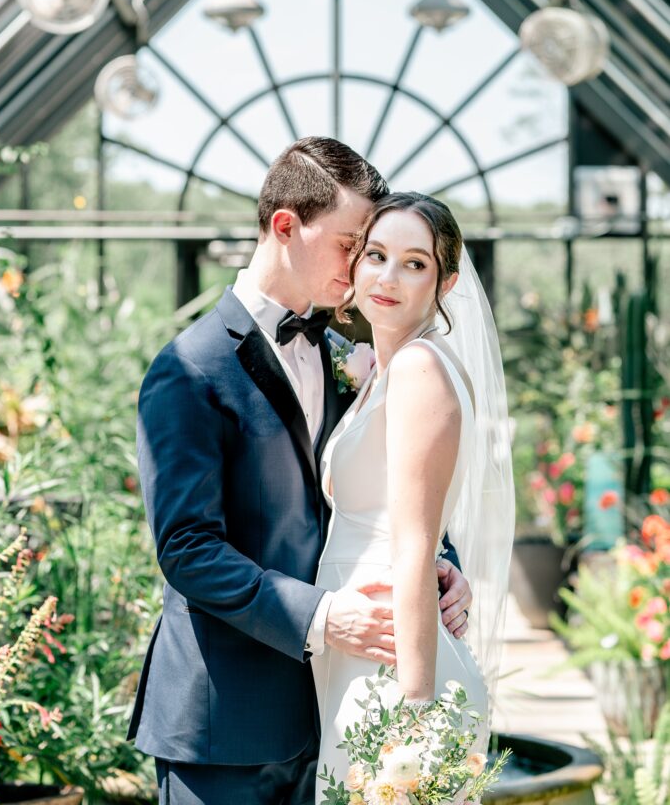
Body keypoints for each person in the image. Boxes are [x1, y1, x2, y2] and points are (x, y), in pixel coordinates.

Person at [127, 140, 473, 805]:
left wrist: (438, 563)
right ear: (285, 226)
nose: (364, 267)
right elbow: (187, 549)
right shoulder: (189, 369)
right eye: (351, 243)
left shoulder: (352, 353)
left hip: (334, 708)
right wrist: (322, 617)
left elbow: (382, 489)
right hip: (222, 723)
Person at [312, 192, 514, 800]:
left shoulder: (421, 369)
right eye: (376, 255)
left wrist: (414, 718)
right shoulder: (388, 370)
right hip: (362, 640)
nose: (388, 277)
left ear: (446, 282)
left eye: (415, 263)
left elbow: (414, 542)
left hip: (391, 658)